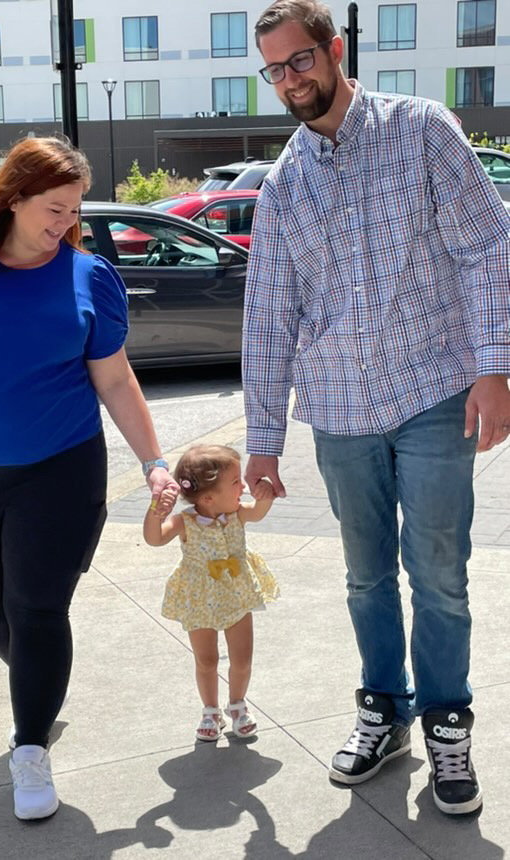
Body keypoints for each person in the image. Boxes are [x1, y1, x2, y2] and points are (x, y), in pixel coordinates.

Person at [244, 0, 510, 816]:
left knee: (437, 571)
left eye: (300, 61)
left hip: (434, 391)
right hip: (338, 410)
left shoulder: (422, 129)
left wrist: (496, 368)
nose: (291, 80)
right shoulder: (284, 183)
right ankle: (384, 713)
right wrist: (261, 439)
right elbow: (270, 312)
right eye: (276, 70)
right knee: (366, 579)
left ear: (336, 49)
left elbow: (487, 246)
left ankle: (446, 722)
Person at [0, 136, 179, 821]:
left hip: (61, 469)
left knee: (37, 609)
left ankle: (30, 747)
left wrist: (154, 460)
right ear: (14, 198)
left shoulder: (87, 277)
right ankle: (39, 684)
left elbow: (113, 376)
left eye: (73, 210)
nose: (64, 224)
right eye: (54, 209)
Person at [143, 444, 279, 741]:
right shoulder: (185, 522)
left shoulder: (237, 514)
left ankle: (238, 705)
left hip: (236, 593)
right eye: (235, 483)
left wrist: (264, 498)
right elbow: (154, 539)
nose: (242, 486)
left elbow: (256, 513)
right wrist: (157, 511)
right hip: (199, 597)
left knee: (241, 658)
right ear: (207, 498)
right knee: (207, 659)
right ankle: (210, 711)